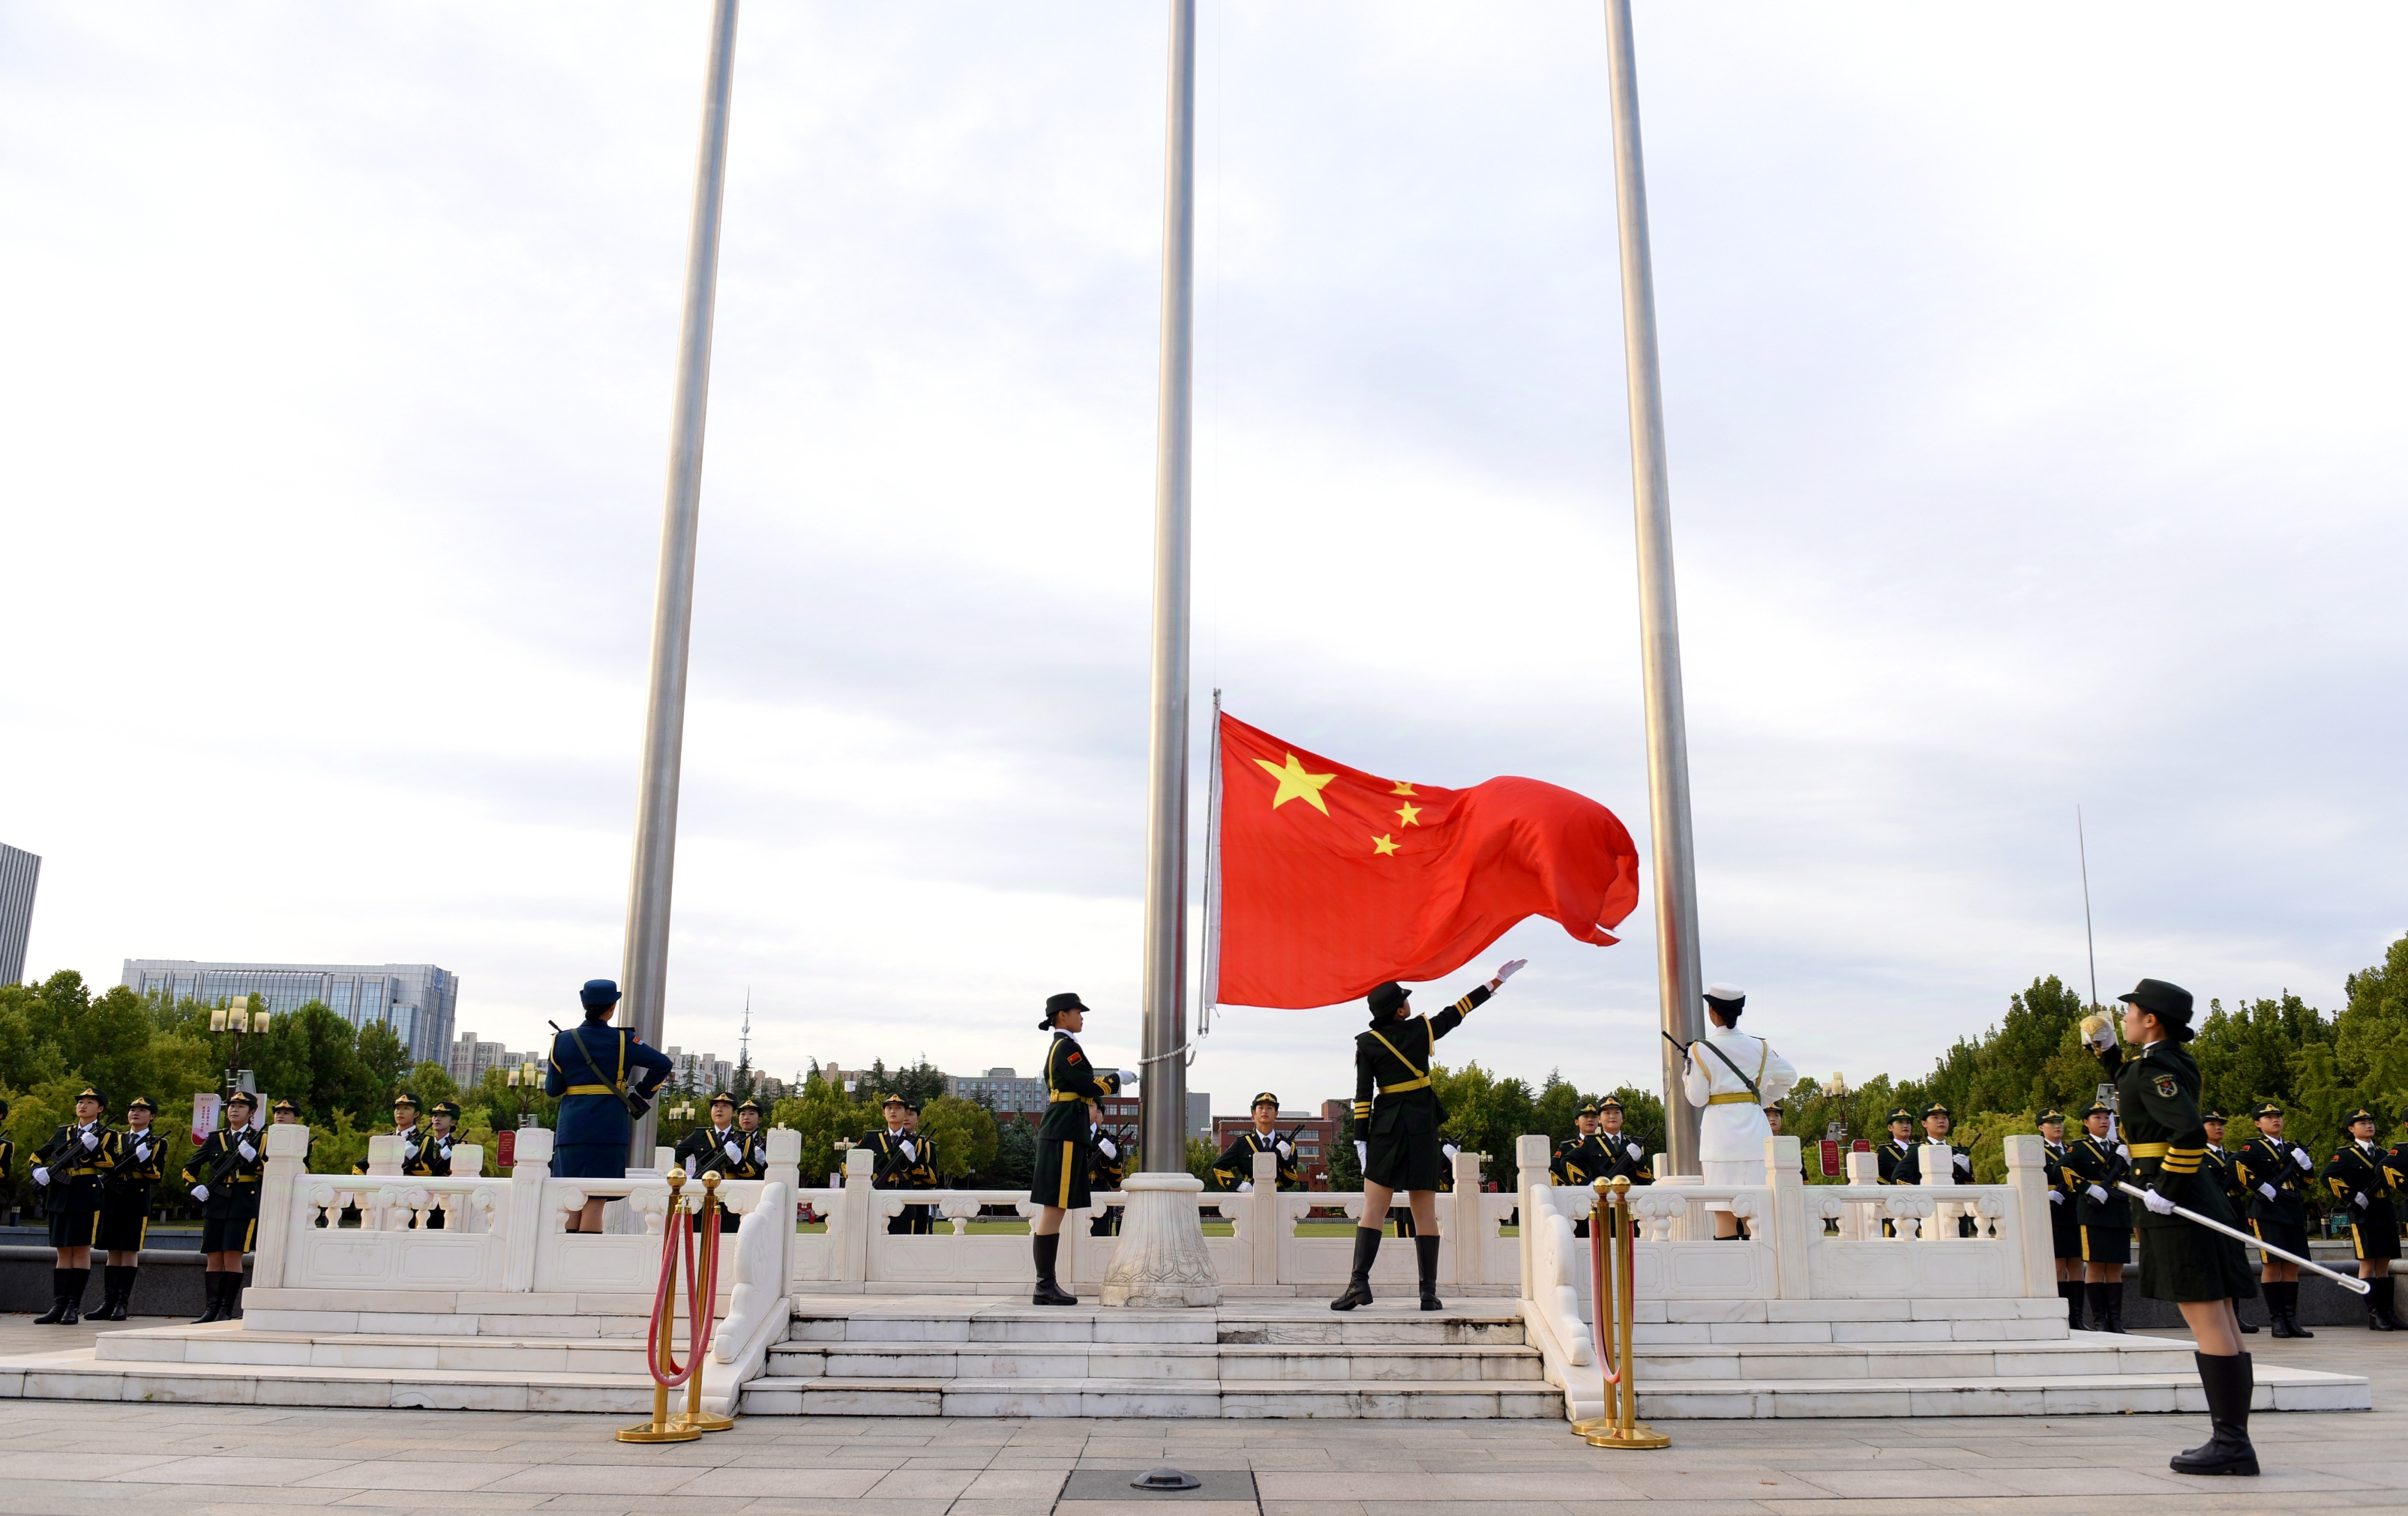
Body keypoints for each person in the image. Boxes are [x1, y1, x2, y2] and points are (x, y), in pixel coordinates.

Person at [2086, 978, 2260, 1477]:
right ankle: (2233, 1440)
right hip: (2194, 1192)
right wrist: (2109, 1058)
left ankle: (2231, 1444)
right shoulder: (2167, 1061)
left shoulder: (2154, 1068)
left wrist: (2166, 1186)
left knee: (2206, 1317)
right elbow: (2140, 1087)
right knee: (2220, 1315)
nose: (2123, 1019)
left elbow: (2184, 1130)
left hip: (2175, 1201)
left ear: (2150, 1020)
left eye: (2129, 1013)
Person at [1334, 959, 1526, 1313]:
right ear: (1399, 1010)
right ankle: (1428, 1293)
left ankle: (1358, 1284)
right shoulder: (1421, 1030)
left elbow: (1363, 1097)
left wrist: (1361, 1140)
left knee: (1373, 1209)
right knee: (1425, 1211)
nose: (1410, 1003)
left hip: (1387, 1128)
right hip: (1422, 1126)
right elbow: (1458, 1011)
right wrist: (1494, 982)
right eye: (1405, 999)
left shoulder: (1367, 1043)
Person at [545, 978, 676, 1233]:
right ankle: (587, 1265)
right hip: (609, 1124)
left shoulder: (561, 1041)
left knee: (571, 1196)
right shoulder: (623, 1040)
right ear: (612, 1007)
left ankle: (567, 1265)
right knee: (596, 1198)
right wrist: (640, 1093)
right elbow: (663, 1064)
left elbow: (553, 1089)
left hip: (571, 1126)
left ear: (584, 1004)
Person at [1027, 992, 1128, 1305]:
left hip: (1065, 1128)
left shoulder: (1063, 1046)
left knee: (1055, 1209)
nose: (1082, 1017)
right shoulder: (1066, 1047)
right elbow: (1086, 1086)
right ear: (1062, 1016)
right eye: (1077, 1012)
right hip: (1064, 1129)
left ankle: (1046, 1284)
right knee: (1054, 1208)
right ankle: (1044, 1286)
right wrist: (1116, 1079)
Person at [1676, 983, 1798, 1241]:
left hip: (1719, 1138)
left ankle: (1731, 1275)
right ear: (1739, 1012)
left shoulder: (1700, 1050)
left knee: (1723, 1212)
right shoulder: (1761, 1047)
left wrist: (1687, 1071)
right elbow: (1789, 1076)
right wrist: (1758, 1099)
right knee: (1758, 1213)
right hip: (1755, 1135)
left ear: (1712, 1012)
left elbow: (1697, 1099)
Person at [30, 1086, 118, 1326]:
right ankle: (58, 1305)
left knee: (80, 1250)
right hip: (60, 1193)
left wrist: (95, 1147)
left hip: (85, 1194)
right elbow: (38, 1155)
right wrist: (37, 1170)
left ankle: (72, 1306)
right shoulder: (63, 1132)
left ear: (100, 1109)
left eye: (90, 1103)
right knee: (62, 1251)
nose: (83, 1105)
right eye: (81, 1102)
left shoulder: (108, 1134)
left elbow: (111, 1166)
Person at [2232, 1101, 2315, 1338]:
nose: (2275, 1120)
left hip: (2292, 1207)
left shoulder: (2291, 1148)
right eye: (2268, 1118)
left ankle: (2291, 1320)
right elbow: (2235, 1164)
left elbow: (2306, 1183)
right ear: (2258, 1124)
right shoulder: (2254, 1147)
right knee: (2272, 1264)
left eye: (2278, 1116)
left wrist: (2306, 1165)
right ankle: (2277, 1321)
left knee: (2292, 1264)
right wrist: (2260, 1185)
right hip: (2267, 1210)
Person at [183, 1090, 263, 1323]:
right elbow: (190, 1168)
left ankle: (226, 1310)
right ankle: (211, 1308)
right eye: (231, 1106)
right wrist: (195, 1187)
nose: (234, 1110)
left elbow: (270, 1171)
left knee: (232, 1256)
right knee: (214, 1256)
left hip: (242, 1202)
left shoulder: (260, 1138)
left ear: (251, 1112)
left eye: (240, 1106)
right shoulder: (215, 1138)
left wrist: (254, 1159)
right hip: (216, 1200)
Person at [2321, 1106, 2400, 1330]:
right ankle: (2374, 1314)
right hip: (2364, 1213)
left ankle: (2388, 1312)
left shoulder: (2384, 1154)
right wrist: (2352, 1195)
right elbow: (2327, 1176)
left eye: (2371, 1122)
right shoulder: (2345, 1154)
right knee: (2368, 1263)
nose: (2369, 1125)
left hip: (2384, 1210)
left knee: (2384, 1263)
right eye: (2363, 1123)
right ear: (2351, 1129)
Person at [2064, 1100, 2132, 1333]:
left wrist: (2131, 1163)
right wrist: (2086, 1188)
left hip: (2118, 1208)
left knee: (2115, 1268)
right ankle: (2099, 1320)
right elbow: (2062, 1168)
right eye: (2098, 1118)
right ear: (2086, 1122)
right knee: (2095, 1266)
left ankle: (2116, 1320)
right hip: (2093, 1209)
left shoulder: (2119, 1147)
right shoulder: (2079, 1147)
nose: (2104, 1121)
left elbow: (2130, 1179)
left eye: (2107, 1117)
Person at [94, 1095, 164, 1321]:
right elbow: (103, 1162)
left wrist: (145, 1162)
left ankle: (122, 1304)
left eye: (143, 1110)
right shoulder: (116, 1139)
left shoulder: (158, 1143)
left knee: (129, 1250)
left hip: (136, 1198)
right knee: (112, 1251)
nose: (136, 1113)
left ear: (152, 1116)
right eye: (133, 1109)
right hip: (113, 1197)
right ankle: (108, 1302)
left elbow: (156, 1176)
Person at [2199, 1110, 2259, 1335]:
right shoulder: (2197, 1155)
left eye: (2220, 1124)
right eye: (2211, 1124)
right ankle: (2214, 1317)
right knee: (2213, 1262)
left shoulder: (2233, 1156)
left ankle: (2234, 1316)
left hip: (2234, 1208)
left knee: (2233, 1261)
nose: (2218, 1128)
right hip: (2211, 1212)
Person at [1893, 1104, 1978, 1236]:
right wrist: (1922, 1195)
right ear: (1924, 1123)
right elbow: (1899, 1177)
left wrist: (1967, 1170)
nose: (1941, 1121)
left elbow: (1970, 1186)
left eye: (1944, 1118)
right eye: (1935, 1118)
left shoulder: (1957, 1152)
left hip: (1956, 1215)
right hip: (1929, 1213)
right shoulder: (1917, 1150)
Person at [2038, 1110, 2089, 1328]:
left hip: (2074, 1206)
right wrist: (2043, 1193)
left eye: (2059, 1122)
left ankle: (2077, 1317)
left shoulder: (2073, 1149)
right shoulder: (2038, 1151)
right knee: (2059, 1265)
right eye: (2052, 1123)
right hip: (2052, 1209)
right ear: (2041, 1128)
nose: (2057, 1126)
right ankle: (2062, 1317)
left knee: (2077, 1263)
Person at [1214, 1093, 1301, 1193]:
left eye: (1269, 1108)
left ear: (1276, 1114)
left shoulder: (1287, 1145)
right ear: (1254, 1114)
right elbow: (1218, 1167)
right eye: (1261, 1108)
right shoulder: (1243, 1142)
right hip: (1251, 1196)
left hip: (1278, 1198)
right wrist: (1238, 1185)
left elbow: (1289, 1182)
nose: (1265, 1111)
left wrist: (1286, 1159)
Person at [863, 1094, 923, 1236]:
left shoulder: (915, 1141)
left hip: (904, 1205)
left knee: (902, 1250)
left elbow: (925, 1176)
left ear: (906, 1113)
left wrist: (913, 1159)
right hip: (877, 1202)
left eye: (898, 1108)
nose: (893, 1111)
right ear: (884, 1113)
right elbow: (847, 1162)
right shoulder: (871, 1138)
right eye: (889, 1108)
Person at [1087, 1101, 1126, 1236]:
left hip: (1101, 1197)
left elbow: (1117, 1181)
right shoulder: (1068, 1137)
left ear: (1098, 1112)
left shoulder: (1108, 1140)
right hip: (1075, 1194)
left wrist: (1114, 1157)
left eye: (1090, 1106)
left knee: (1100, 1243)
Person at [271, 1097, 316, 1167]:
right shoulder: (264, 1138)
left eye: (286, 1113)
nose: (280, 1116)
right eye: (278, 1113)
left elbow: (305, 1168)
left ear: (295, 1119)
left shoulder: (302, 1142)